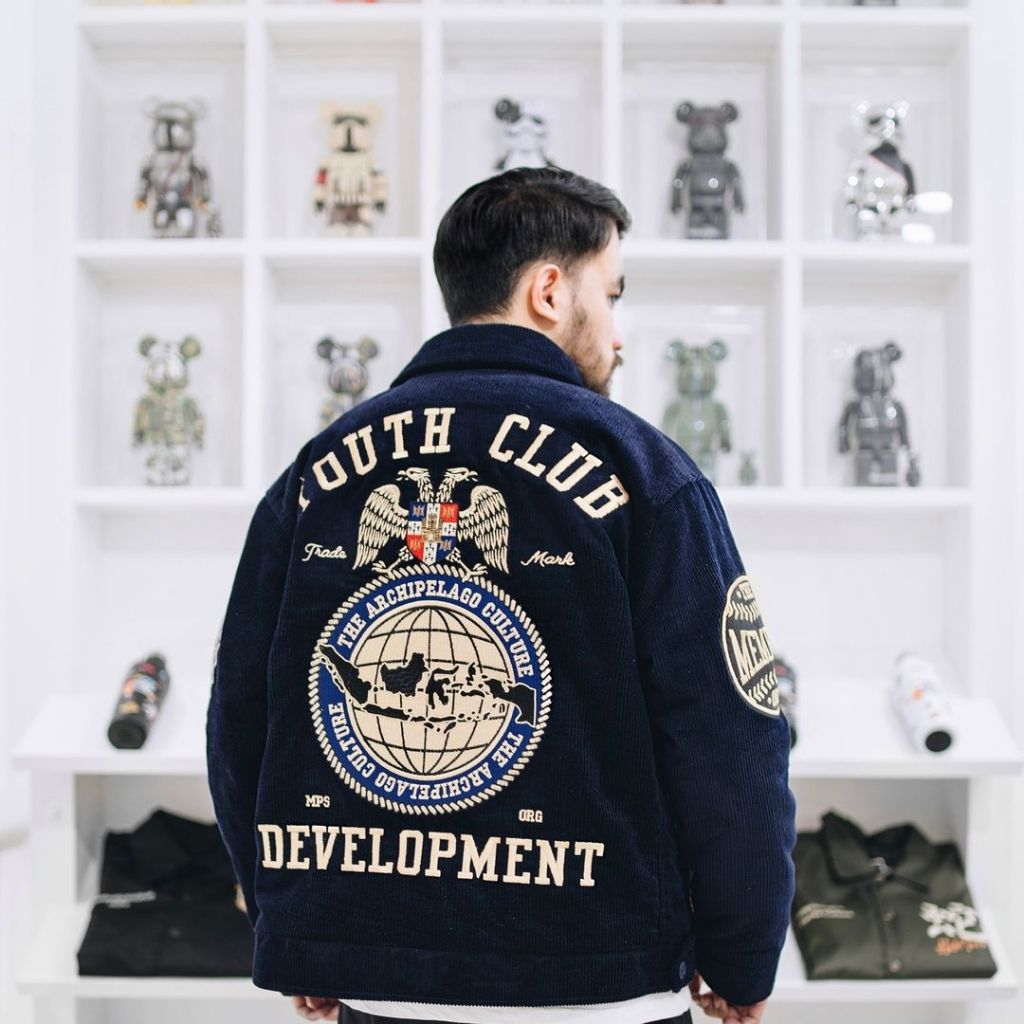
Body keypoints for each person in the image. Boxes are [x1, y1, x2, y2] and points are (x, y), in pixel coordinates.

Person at [206, 167, 796, 1024]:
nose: (619, 335)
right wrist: (742, 956)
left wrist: (299, 925)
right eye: (611, 295)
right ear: (549, 292)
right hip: (600, 982)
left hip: (381, 983)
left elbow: (240, 718)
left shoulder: (318, 471)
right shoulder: (641, 469)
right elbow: (730, 737)